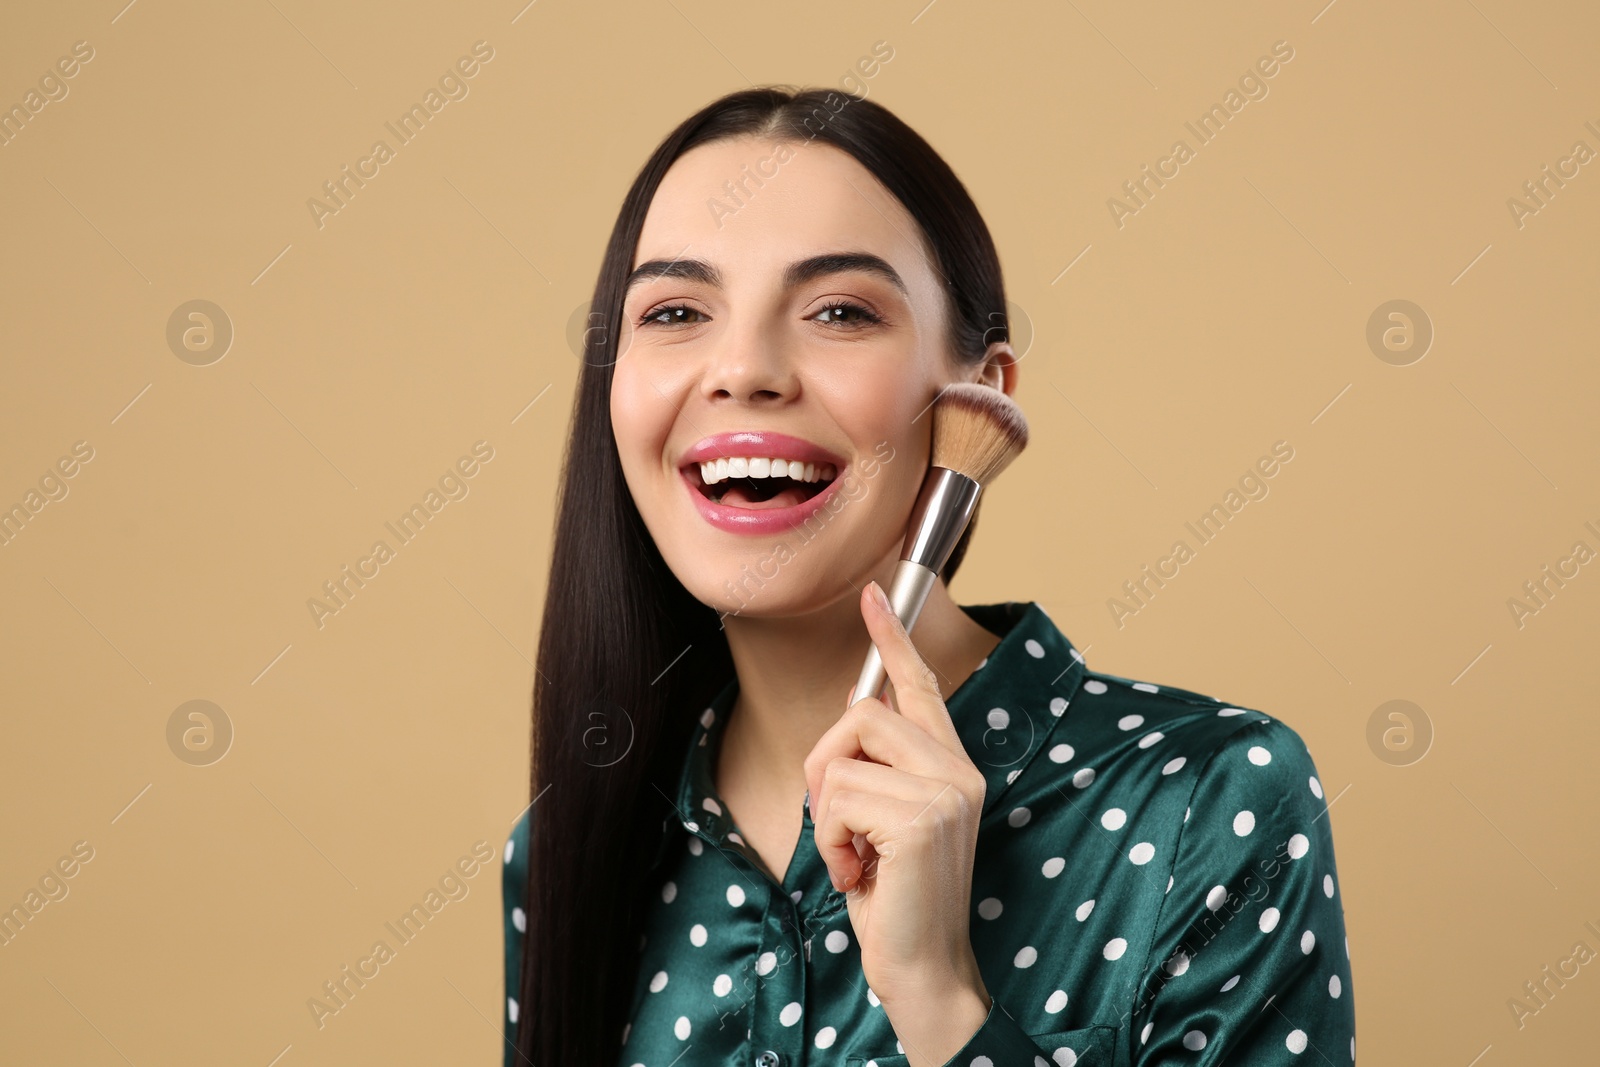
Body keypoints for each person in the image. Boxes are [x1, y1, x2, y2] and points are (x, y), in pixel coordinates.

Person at [503, 85, 1355, 1067]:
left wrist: (941, 1000)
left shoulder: (1208, 800)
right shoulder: (565, 850)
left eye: (838, 309)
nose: (743, 368)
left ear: (979, 395)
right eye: (676, 310)